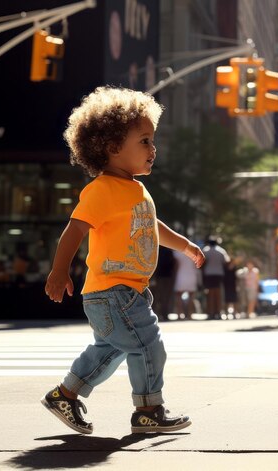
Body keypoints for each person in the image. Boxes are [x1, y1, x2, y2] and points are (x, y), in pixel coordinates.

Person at [42, 86, 205, 435]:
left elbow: (153, 226)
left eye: (152, 140)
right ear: (112, 148)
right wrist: (59, 271)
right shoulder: (101, 190)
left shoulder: (135, 189)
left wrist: (186, 245)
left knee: (110, 350)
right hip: (111, 292)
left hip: (125, 292)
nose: (153, 148)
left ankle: (64, 394)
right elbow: (73, 231)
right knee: (148, 344)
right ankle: (149, 410)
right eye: (144, 140)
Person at [201, 237, 230, 319]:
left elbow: (202, 262)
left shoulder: (205, 250)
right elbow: (227, 262)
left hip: (208, 274)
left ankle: (210, 312)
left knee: (209, 294)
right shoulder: (221, 251)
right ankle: (218, 312)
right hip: (218, 274)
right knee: (218, 294)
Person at [173, 249, 201, 319]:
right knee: (191, 296)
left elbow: (175, 265)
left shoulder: (177, 251)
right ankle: (190, 315)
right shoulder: (193, 251)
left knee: (178, 296)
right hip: (191, 275)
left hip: (180, 275)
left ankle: (179, 315)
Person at [152, 246, 176, 321]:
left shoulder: (156, 250)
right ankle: (165, 314)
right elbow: (173, 264)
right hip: (168, 277)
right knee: (166, 297)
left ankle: (157, 314)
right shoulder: (169, 251)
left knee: (157, 297)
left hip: (159, 277)